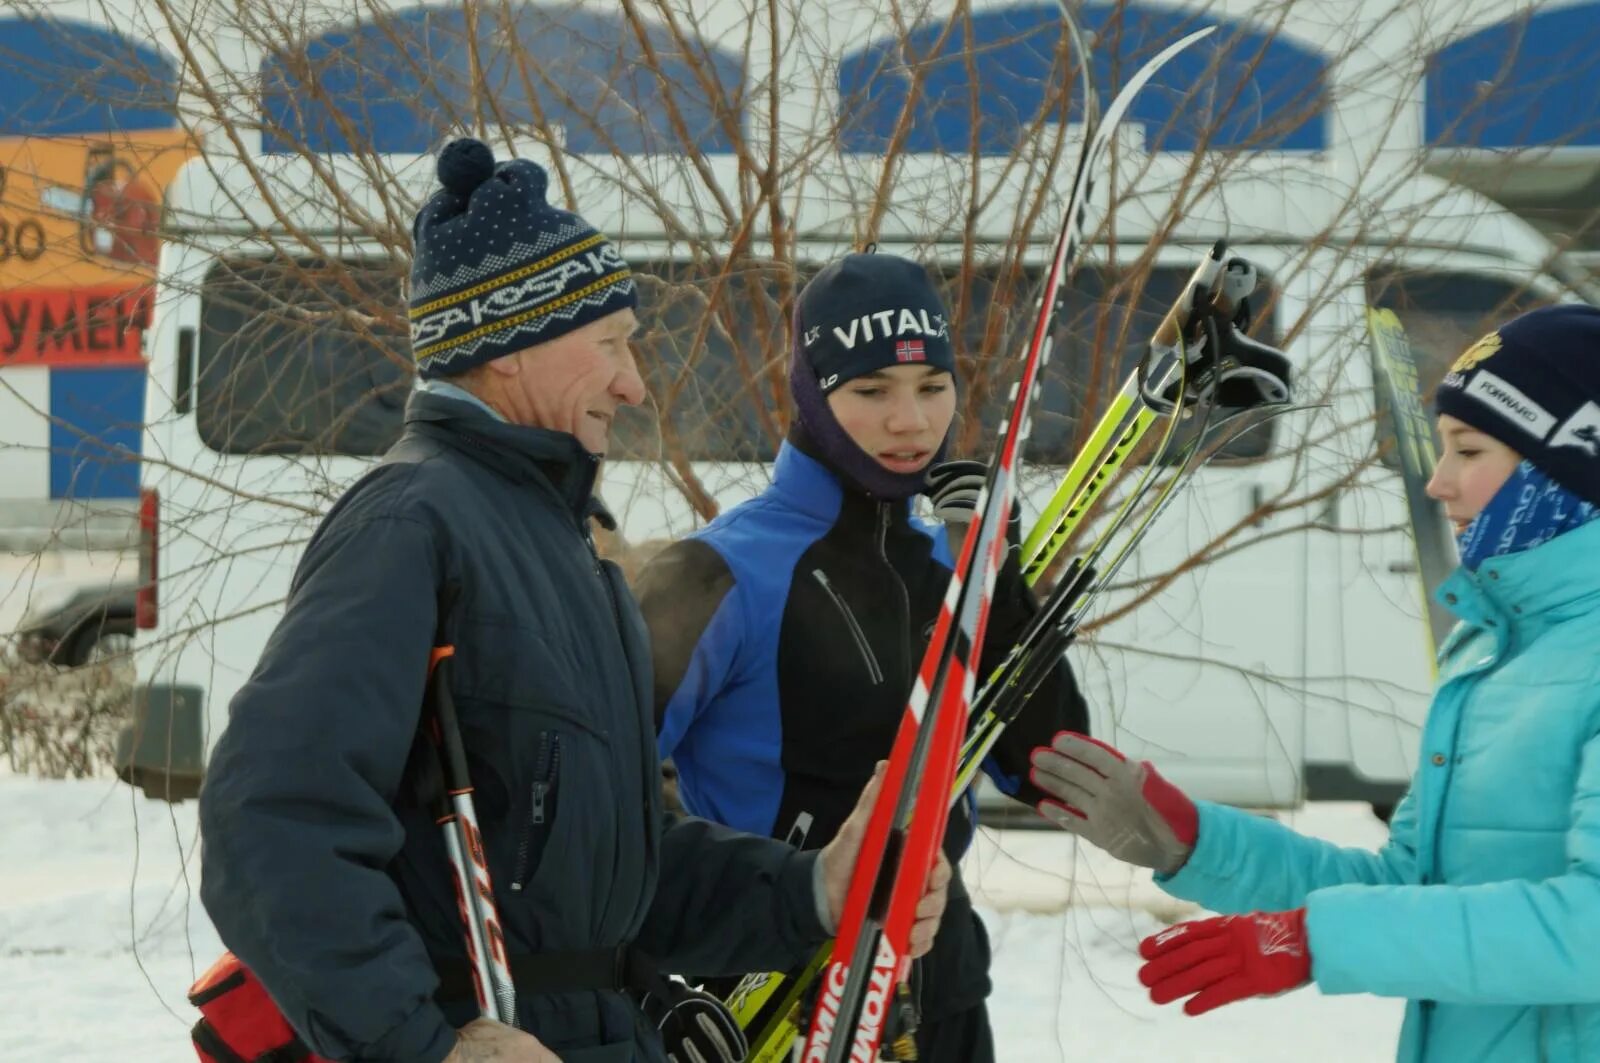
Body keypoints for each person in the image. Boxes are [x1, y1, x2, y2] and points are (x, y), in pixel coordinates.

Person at [198, 140, 950, 1063]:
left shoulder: (565, 546)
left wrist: (810, 891)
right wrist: (425, 1045)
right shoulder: (409, 525)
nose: (634, 381)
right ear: (517, 350)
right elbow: (270, 819)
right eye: (611, 343)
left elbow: (614, 880)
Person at [1027, 303, 1600, 1061]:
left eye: (1468, 449)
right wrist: (1196, 839)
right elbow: (1407, 887)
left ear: (1567, 462)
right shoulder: (1493, 652)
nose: (1438, 482)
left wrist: (1311, 941)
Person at [634, 251, 1091, 1062]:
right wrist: (655, 989)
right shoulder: (716, 573)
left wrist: (1003, 582)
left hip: (938, 994)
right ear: (813, 396)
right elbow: (600, 810)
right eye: (871, 391)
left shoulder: (950, 560)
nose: (911, 421)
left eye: (931, 386)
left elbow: (1054, 774)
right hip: (773, 1002)